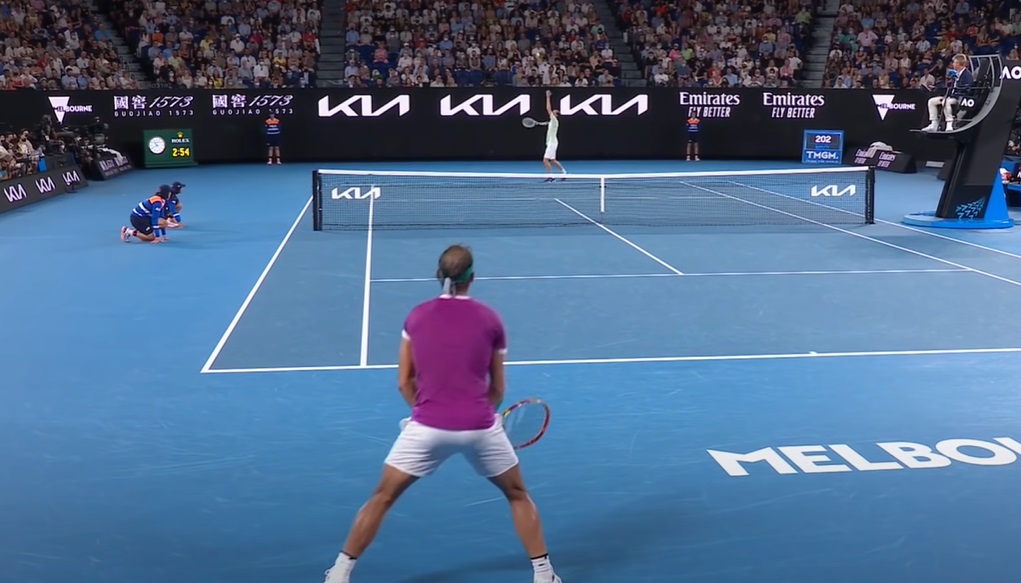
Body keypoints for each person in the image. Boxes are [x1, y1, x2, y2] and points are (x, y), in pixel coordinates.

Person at [322, 245, 562, 583]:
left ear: (439, 276)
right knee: (517, 495)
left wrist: (422, 413)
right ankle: (544, 575)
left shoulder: (416, 317)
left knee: (382, 497)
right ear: (472, 278)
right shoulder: (491, 320)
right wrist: (485, 416)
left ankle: (340, 572)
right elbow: (497, 388)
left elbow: (404, 382)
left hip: (426, 429)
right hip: (480, 428)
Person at [922, 54, 974, 132]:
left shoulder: (967, 75)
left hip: (960, 98)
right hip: (951, 96)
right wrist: (945, 94)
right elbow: (951, 88)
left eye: (954, 62)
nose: (952, 64)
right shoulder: (955, 74)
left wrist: (950, 97)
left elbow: (966, 90)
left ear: (959, 63)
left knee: (945, 102)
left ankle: (949, 123)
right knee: (931, 101)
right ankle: (934, 124)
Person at [536, 90, 567, 181]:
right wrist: (544, 123)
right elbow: (548, 123)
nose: (553, 111)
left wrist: (548, 97)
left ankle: (550, 176)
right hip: (552, 143)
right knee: (552, 160)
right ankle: (564, 172)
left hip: (552, 143)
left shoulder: (554, 120)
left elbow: (548, 108)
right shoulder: (552, 122)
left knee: (545, 160)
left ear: (556, 115)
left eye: (555, 112)